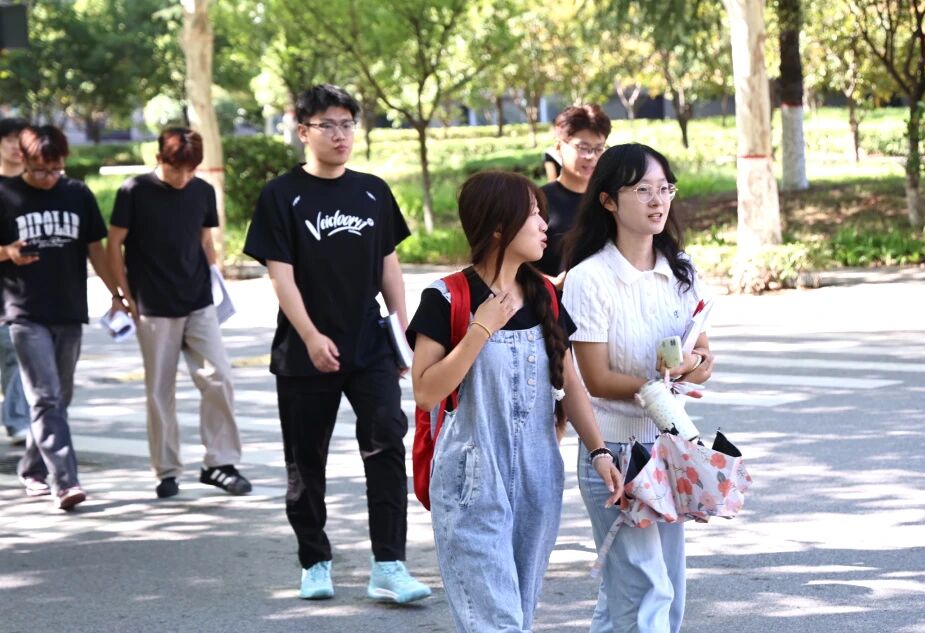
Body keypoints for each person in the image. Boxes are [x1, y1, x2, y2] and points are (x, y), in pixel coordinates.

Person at [408, 170, 623, 632]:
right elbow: (425, 391)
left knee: (518, 617)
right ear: (498, 226)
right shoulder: (446, 297)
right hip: (471, 480)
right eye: (534, 215)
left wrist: (600, 451)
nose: (546, 225)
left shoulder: (544, 294)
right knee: (497, 622)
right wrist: (480, 329)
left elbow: (571, 383)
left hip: (537, 476)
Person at [243, 84, 431, 604]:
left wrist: (402, 334)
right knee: (307, 461)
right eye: (328, 125)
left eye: (347, 124)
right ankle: (314, 560)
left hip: (369, 344)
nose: (340, 134)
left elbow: (389, 265)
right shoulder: (281, 194)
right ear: (303, 131)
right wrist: (310, 335)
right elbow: (280, 275)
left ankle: (389, 564)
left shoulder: (372, 191)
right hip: (305, 350)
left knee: (386, 446)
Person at [562, 144, 715, 633]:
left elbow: (704, 358)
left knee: (657, 593)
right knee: (646, 593)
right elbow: (596, 378)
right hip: (614, 450)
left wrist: (691, 365)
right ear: (608, 201)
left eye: (665, 188)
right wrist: (656, 385)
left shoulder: (681, 269)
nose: (657, 200)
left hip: (668, 448)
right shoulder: (589, 278)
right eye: (643, 189)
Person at [107, 127, 251, 500]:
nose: (184, 177)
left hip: (199, 300)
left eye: (191, 170)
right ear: (159, 159)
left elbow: (205, 240)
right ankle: (167, 470)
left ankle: (220, 463)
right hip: (153, 306)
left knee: (219, 377)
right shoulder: (134, 191)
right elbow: (114, 244)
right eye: (176, 169)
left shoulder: (202, 191)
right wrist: (123, 296)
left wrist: (217, 281)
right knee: (160, 390)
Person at [0, 125, 122, 510]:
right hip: (24, 312)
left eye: (56, 169)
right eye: (40, 170)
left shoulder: (77, 194)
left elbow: (96, 250)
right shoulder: (5, 195)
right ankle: (65, 481)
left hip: (69, 310)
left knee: (58, 397)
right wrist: (7, 253)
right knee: (46, 397)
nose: (49, 177)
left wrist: (117, 294)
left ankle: (32, 468)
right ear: (24, 159)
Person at [536, 104, 612, 287]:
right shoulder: (536, 201)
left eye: (599, 148)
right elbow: (513, 259)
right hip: (552, 300)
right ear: (558, 147)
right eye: (583, 147)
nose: (591, 156)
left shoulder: (612, 200)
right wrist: (550, 283)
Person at [0, 117, 31, 446]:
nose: (15, 147)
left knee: (16, 353)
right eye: (8, 139)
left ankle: (17, 419)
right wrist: (6, 252)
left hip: (29, 291)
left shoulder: (39, 186)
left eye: (20, 140)